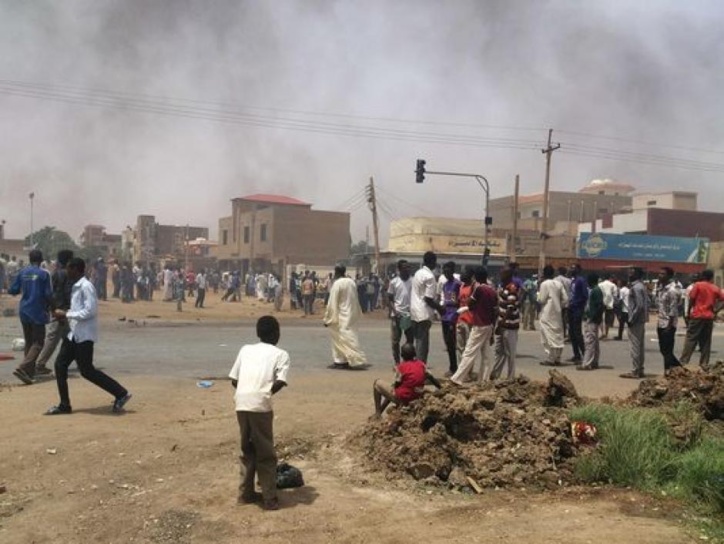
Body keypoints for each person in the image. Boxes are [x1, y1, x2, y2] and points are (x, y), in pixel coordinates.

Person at [45, 257, 132, 415]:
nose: (67, 272)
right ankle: (64, 405)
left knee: (87, 371)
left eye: (69, 269)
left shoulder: (86, 287)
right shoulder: (76, 287)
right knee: (60, 365)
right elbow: (79, 309)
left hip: (84, 335)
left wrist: (67, 313)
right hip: (74, 334)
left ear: (77, 270)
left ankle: (121, 393)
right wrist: (65, 316)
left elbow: (90, 311)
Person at [228, 316, 289, 511]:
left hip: (241, 403)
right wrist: (266, 392)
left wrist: (248, 389)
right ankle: (269, 498)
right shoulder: (281, 354)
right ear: (276, 334)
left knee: (247, 450)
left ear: (258, 333)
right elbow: (281, 380)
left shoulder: (245, 349)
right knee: (266, 453)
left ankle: (245, 494)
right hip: (260, 406)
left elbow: (234, 380)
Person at [8, 249, 53, 384]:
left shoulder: (22, 272)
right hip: (37, 310)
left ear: (29, 259)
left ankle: (28, 372)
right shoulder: (44, 274)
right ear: (41, 260)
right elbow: (48, 294)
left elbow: (12, 290)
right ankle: (23, 367)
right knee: (38, 342)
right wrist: (54, 308)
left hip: (24, 310)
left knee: (29, 341)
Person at [450, 266, 497, 385]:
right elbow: (494, 311)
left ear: (476, 277)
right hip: (488, 324)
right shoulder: (492, 290)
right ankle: (484, 379)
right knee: (486, 354)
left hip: (479, 324)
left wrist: (467, 306)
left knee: (469, 351)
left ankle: (457, 378)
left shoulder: (479, 289)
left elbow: (471, 303)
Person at [34, 250, 75, 376]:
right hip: (62, 310)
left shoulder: (56, 273)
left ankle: (79, 361)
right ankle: (39, 365)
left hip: (59, 309)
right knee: (53, 338)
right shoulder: (66, 274)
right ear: (69, 260)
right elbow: (62, 293)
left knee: (70, 337)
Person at [372, 343, 441, 417]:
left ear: (402, 355)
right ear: (414, 353)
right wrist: (441, 388)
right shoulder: (421, 365)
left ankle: (378, 413)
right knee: (393, 389)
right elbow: (432, 378)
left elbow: (396, 385)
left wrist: (396, 370)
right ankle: (381, 410)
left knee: (377, 383)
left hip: (404, 398)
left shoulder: (402, 367)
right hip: (417, 396)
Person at [323, 265, 367, 369]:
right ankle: (344, 360)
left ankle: (347, 360)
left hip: (340, 315)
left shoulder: (337, 284)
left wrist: (328, 318)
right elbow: (356, 299)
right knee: (348, 336)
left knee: (341, 338)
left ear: (336, 272)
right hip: (351, 314)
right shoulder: (351, 282)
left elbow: (332, 302)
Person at [679, 269, 723, 371]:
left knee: (691, 339)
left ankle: (684, 361)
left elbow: (692, 299)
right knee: (706, 341)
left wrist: (689, 312)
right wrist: (716, 310)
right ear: (711, 277)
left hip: (697, 315)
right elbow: (722, 299)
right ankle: (704, 363)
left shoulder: (698, 285)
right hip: (709, 317)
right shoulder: (715, 288)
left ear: (703, 276)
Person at [491, 268, 520, 380]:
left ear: (508, 276)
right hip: (502, 324)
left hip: (509, 325)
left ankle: (510, 377)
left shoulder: (511, 288)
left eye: (502, 274)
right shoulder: (502, 287)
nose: (500, 275)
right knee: (499, 351)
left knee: (510, 353)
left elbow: (510, 308)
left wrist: (501, 324)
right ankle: (495, 374)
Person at [620, 267, 649, 379]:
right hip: (641, 320)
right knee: (640, 346)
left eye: (632, 273)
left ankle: (635, 371)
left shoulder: (636, 287)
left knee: (635, 346)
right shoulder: (641, 286)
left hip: (636, 320)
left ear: (637, 275)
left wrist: (632, 319)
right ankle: (639, 369)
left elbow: (639, 305)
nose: (629, 274)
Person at [410, 251, 438, 363]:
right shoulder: (429, 276)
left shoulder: (418, 273)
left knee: (418, 342)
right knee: (422, 344)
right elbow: (428, 299)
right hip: (424, 313)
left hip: (414, 311)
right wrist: (440, 308)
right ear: (433, 262)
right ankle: (420, 370)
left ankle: (415, 368)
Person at [538, 265, 569, 367]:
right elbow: (565, 299)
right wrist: (559, 306)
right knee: (557, 334)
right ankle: (557, 358)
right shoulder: (558, 284)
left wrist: (537, 295)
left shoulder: (544, 284)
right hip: (557, 312)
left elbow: (541, 299)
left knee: (547, 335)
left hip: (547, 312)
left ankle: (550, 358)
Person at [654, 267, 682, 376]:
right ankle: (679, 369)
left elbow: (673, 309)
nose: (660, 275)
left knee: (667, 351)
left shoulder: (672, 291)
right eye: (659, 273)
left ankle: (668, 372)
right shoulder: (661, 289)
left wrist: (669, 326)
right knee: (663, 350)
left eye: (663, 274)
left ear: (669, 276)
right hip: (660, 323)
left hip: (668, 325)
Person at [387, 260, 414, 365]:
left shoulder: (414, 281)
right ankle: (397, 362)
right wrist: (395, 311)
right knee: (395, 341)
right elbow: (389, 298)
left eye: (408, 267)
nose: (407, 269)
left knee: (410, 340)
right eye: (404, 268)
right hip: (397, 315)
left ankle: (408, 362)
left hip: (409, 315)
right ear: (399, 269)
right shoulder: (394, 282)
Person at [439, 261, 461, 376]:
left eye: (448, 270)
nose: (445, 273)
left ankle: (455, 368)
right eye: (444, 271)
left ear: (452, 270)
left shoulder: (457, 284)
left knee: (453, 343)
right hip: (445, 316)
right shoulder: (445, 285)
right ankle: (452, 366)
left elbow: (459, 301)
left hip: (453, 316)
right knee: (448, 343)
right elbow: (446, 299)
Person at [578, 273, 604, 371]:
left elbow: (599, 306)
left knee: (589, 341)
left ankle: (586, 363)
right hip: (592, 318)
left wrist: (593, 317)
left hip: (591, 319)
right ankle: (594, 361)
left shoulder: (596, 291)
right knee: (594, 341)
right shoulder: (594, 290)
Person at [567, 264, 588, 363]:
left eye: (573, 268)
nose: (571, 269)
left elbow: (585, 295)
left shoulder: (581, 280)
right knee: (571, 333)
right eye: (571, 268)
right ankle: (576, 355)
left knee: (577, 333)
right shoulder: (573, 281)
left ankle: (585, 354)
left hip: (577, 309)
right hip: (571, 308)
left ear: (578, 270)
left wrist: (578, 304)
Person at [455, 268, 475, 363]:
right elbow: (459, 302)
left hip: (470, 320)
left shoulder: (473, 288)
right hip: (460, 320)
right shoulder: (462, 286)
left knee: (469, 347)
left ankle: (469, 370)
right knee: (460, 347)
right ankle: (461, 369)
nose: (461, 275)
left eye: (464, 273)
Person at [598, 274, 618, 339]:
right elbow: (615, 295)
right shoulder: (613, 285)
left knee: (600, 318)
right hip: (610, 304)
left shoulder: (600, 285)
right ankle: (606, 334)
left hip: (601, 302)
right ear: (610, 278)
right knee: (607, 320)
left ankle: (602, 332)